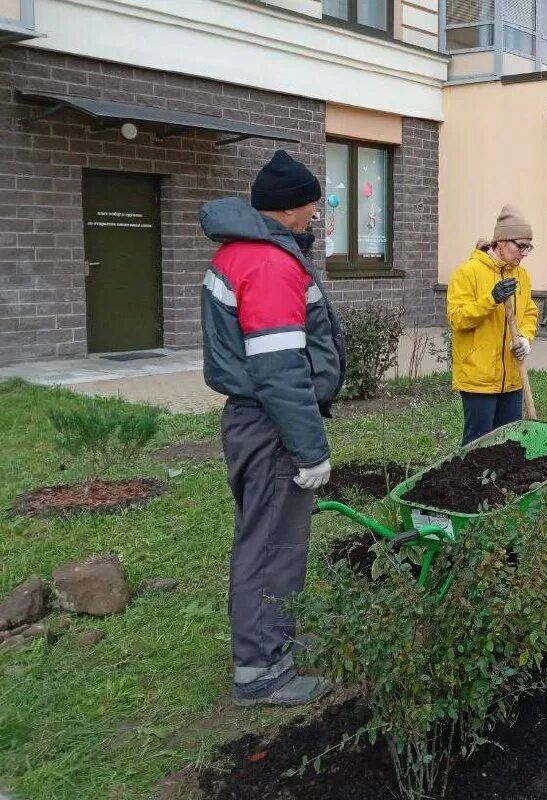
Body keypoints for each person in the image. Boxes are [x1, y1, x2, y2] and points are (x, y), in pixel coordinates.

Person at [199, 150, 345, 707]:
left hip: (257, 420)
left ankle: (275, 636)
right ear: (290, 209)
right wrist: (309, 449)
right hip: (271, 425)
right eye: (312, 205)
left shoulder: (244, 254)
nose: (315, 215)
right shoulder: (266, 264)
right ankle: (260, 670)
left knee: (270, 537)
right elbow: (280, 370)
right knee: (270, 544)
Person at [447, 205, 539, 445]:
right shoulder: (467, 273)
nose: (524, 253)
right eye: (520, 246)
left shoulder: (522, 276)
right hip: (479, 378)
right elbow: (458, 318)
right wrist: (491, 299)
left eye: (528, 246)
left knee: (508, 445)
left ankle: (503, 485)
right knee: (478, 445)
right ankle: (471, 483)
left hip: (512, 377)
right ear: (500, 241)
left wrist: (525, 339)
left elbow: (529, 312)